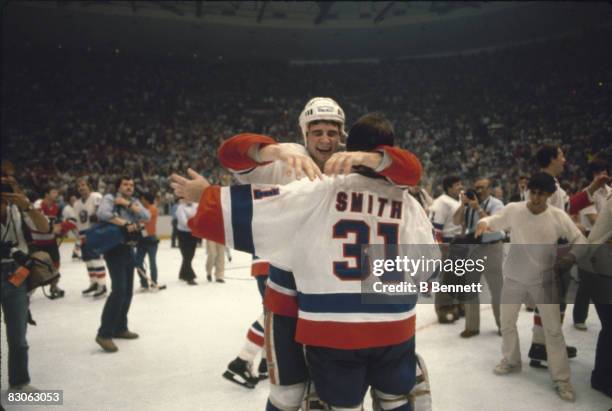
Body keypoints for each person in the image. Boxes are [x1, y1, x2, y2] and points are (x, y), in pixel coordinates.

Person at [174, 112, 435, 411]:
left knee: (327, 403)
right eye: (318, 132)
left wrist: (205, 195)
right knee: (395, 399)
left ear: (346, 144)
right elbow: (428, 270)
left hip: (328, 327)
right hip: (394, 326)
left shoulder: (317, 190)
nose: (325, 140)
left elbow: (246, 212)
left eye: (333, 132)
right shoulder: (409, 202)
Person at [475, 172, 586, 402]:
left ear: (549, 195)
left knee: (553, 330)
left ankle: (561, 379)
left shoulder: (557, 216)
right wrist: (483, 223)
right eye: (532, 192)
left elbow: (580, 239)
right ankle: (511, 360)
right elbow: (494, 220)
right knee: (507, 323)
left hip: (544, 279)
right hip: (514, 276)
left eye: (540, 194)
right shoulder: (515, 209)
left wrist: (571, 257)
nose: (535, 198)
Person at [1, 160, 49, 392]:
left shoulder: (18, 208)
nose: (5, 188)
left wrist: (27, 205)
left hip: (16, 276)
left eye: (9, 183)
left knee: (18, 338)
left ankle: (19, 384)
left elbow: (44, 228)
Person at [95, 176, 150, 353]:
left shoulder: (133, 201)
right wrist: (125, 223)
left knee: (127, 292)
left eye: (131, 184)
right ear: (118, 186)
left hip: (128, 248)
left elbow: (146, 216)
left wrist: (127, 205)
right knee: (118, 290)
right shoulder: (110, 198)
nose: (129, 187)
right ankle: (104, 333)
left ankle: (120, 327)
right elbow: (102, 214)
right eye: (125, 184)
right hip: (114, 248)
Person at [451, 177, 504, 337]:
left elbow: (495, 225)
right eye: (476, 187)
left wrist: (479, 208)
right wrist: (463, 205)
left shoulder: (496, 204)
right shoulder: (469, 204)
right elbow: (456, 221)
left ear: (490, 189)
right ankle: (472, 326)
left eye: (482, 188)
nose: (479, 191)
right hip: (474, 249)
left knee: (497, 289)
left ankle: (503, 325)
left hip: (492, 247)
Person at [572, 159, 610, 330]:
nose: (602, 175)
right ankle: (579, 317)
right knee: (587, 281)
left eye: (604, 171)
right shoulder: (589, 194)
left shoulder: (610, 191)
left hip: (608, 241)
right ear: (592, 175)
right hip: (590, 240)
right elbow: (594, 219)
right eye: (597, 172)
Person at [429, 175, 463, 323]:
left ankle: (459, 305)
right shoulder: (441, 202)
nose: (461, 187)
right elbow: (436, 228)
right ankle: (444, 308)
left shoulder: (459, 200)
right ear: (449, 187)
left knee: (460, 277)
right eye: (457, 185)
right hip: (448, 243)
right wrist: (440, 246)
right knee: (447, 279)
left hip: (461, 242)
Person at [73, 177, 107, 298]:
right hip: (83, 233)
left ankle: (102, 285)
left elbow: (101, 212)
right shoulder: (77, 203)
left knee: (95, 258)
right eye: (79, 186)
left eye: (83, 185)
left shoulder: (96, 196)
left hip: (94, 231)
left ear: (89, 186)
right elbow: (78, 222)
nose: (81, 188)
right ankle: (94, 283)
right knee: (88, 260)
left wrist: (97, 217)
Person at [30, 185, 65, 299]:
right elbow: (34, 223)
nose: (57, 194)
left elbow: (55, 223)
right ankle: (29, 291)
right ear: (46, 194)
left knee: (56, 264)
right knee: (34, 267)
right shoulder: (38, 205)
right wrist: (51, 229)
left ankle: (53, 286)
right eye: (54, 192)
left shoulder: (55, 207)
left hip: (50, 241)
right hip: (37, 242)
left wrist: (59, 230)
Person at [135, 192, 159, 289]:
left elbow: (144, 220)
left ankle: (153, 282)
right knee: (138, 262)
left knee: (152, 262)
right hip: (142, 238)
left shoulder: (152, 208)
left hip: (151, 238)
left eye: (142, 199)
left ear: (146, 199)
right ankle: (144, 282)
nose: (141, 201)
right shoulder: (144, 209)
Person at [176, 198, 198, 285]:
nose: (189, 199)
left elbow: (200, 216)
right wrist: (195, 222)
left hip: (193, 233)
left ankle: (182, 274)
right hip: (182, 234)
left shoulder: (196, 205)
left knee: (190, 255)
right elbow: (183, 222)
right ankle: (190, 277)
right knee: (186, 254)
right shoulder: (180, 208)